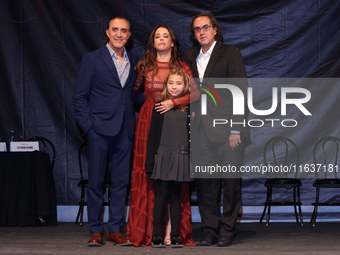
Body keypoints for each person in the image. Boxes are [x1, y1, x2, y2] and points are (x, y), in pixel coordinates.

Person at [126, 24, 200, 246]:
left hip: (175, 121)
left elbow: (196, 93)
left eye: (165, 36)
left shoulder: (182, 66)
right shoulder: (143, 66)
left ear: (172, 42)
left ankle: (172, 230)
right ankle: (148, 230)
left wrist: (173, 102)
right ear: (152, 41)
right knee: (148, 173)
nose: (161, 39)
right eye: (157, 36)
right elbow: (131, 93)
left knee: (175, 179)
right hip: (149, 122)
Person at [183, 12, 250, 247]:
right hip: (200, 131)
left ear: (215, 30)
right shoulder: (190, 56)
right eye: (197, 29)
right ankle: (210, 230)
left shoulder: (231, 53)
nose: (201, 32)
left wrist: (236, 129)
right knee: (205, 185)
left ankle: (227, 230)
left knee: (230, 184)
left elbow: (240, 91)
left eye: (205, 27)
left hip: (228, 132)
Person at [73, 17, 139, 247]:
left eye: (124, 30)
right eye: (115, 30)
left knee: (121, 182)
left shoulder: (135, 60)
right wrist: (88, 126)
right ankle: (96, 231)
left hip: (125, 130)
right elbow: (79, 96)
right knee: (96, 183)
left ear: (129, 35)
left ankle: (115, 230)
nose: (119, 34)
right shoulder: (92, 59)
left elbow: (131, 95)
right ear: (107, 33)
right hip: (98, 130)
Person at [145, 69, 192, 248]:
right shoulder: (159, 107)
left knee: (175, 196)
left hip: (182, 155)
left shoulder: (188, 108)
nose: (174, 87)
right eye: (171, 83)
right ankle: (157, 233)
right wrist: (151, 161)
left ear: (185, 86)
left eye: (179, 83)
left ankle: (174, 235)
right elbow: (153, 136)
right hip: (163, 155)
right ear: (166, 85)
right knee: (161, 195)